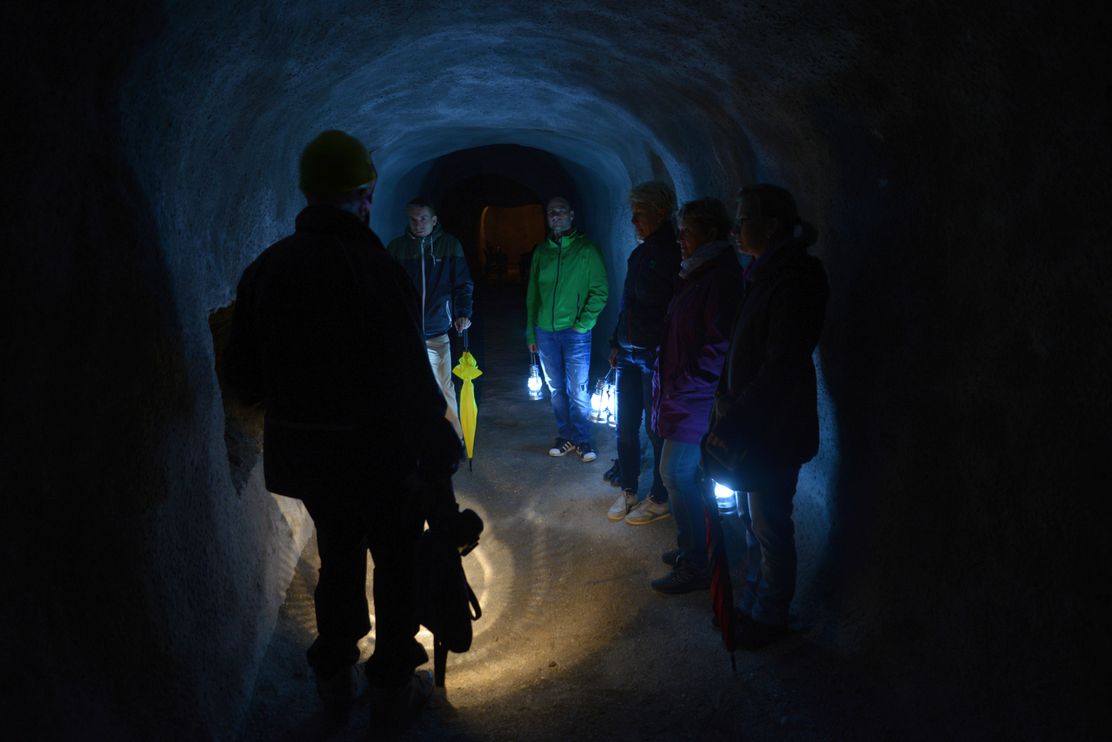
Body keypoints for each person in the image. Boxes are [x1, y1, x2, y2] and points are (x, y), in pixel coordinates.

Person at [222, 131, 463, 727]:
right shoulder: (377, 268)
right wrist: (439, 453)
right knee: (396, 564)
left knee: (337, 560)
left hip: (312, 458)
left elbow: (242, 377)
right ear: (367, 193)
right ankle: (390, 684)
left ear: (307, 193)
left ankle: (333, 678)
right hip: (383, 457)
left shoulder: (268, 269)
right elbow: (410, 378)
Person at [704, 184, 828, 647]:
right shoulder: (764, 272)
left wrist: (735, 417)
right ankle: (755, 604)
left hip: (771, 426)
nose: (736, 230)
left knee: (770, 523)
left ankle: (771, 616)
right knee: (753, 521)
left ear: (771, 226)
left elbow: (780, 364)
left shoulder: (794, 278)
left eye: (744, 220)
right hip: (748, 424)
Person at [649, 198, 744, 594]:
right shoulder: (699, 271)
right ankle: (697, 547)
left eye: (687, 231)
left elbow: (718, 345)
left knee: (675, 473)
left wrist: (684, 381)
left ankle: (697, 562)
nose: (680, 238)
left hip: (696, 396)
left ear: (709, 232)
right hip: (684, 392)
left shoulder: (717, 275)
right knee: (685, 475)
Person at [606, 181, 681, 524]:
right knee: (625, 425)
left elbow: (674, 310)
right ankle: (629, 489)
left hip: (652, 355)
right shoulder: (639, 254)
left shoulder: (673, 254)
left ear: (660, 213)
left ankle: (659, 495)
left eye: (640, 214)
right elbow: (627, 305)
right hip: (628, 353)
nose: (634, 221)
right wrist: (614, 342)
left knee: (655, 428)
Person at [525, 196, 609, 462]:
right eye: (551, 212)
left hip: (575, 333)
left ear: (572, 215)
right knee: (556, 389)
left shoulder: (587, 251)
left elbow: (600, 291)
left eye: (561, 211)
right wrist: (531, 331)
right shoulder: (541, 252)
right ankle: (566, 436)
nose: (556, 216)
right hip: (545, 331)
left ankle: (583, 439)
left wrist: (582, 324)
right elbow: (533, 295)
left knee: (577, 388)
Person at [386, 197, 474, 439]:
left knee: (444, 387)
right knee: (409, 387)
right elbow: (387, 287)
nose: (418, 224)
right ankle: (416, 438)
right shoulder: (396, 248)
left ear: (434, 220)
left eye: (423, 218)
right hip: (408, 331)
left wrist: (463, 313)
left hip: (437, 330)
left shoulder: (449, 245)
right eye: (413, 219)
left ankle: (453, 437)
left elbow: (462, 283)